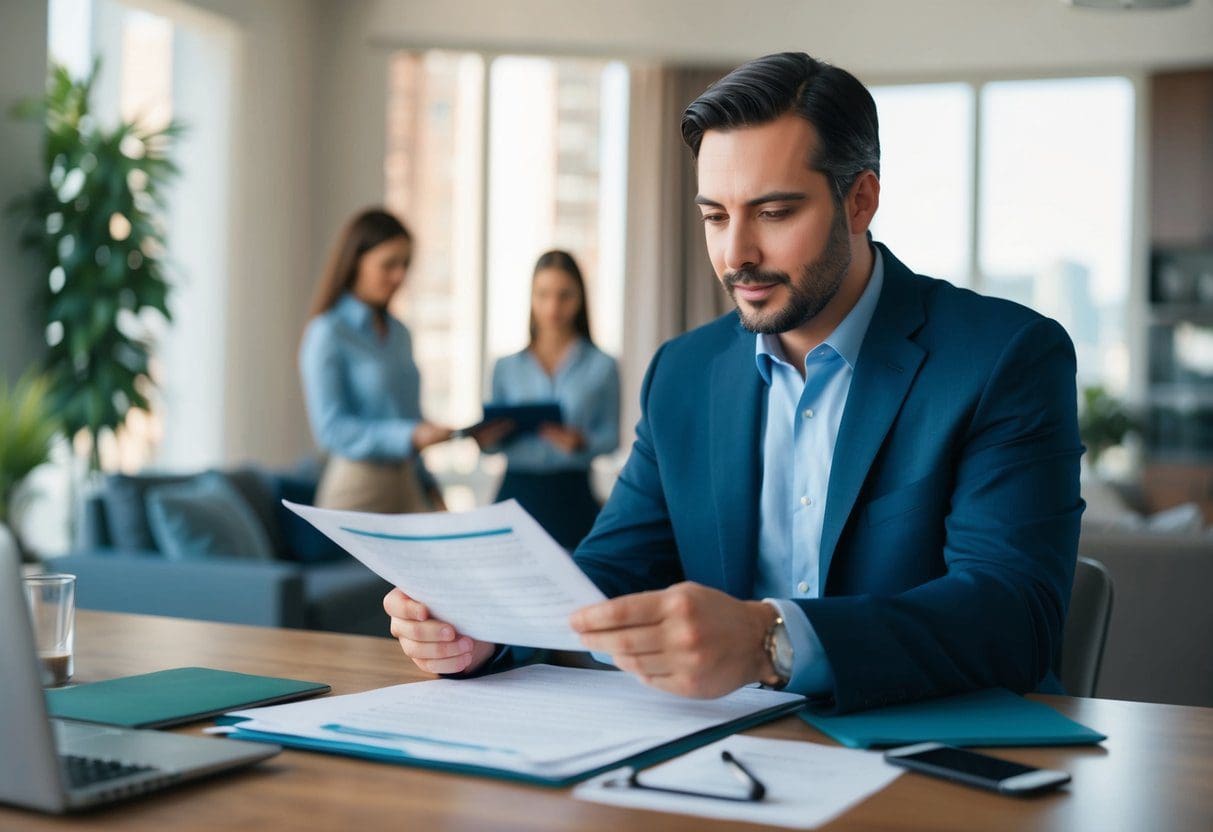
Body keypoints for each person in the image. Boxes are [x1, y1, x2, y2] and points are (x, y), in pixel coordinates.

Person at [384, 52, 1083, 713]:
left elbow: (1013, 615)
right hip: (726, 755)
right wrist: (491, 625)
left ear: (859, 200)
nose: (736, 255)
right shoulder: (683, 374)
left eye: (773, 213)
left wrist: (767, 641)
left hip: (933, 753)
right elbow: (616, 567)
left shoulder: (1003, 357)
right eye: (714, 217)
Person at [300, 208, 453, 514]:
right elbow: (331, 430)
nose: (399, 276)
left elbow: (409, 416)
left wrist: (431, 486)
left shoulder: (400, 334)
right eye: (389, 264)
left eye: (405, 264)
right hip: (358, 486)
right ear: (357, 260)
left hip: (407, 481)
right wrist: (408, 436)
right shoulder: (328, 333)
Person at [485, 250, 621, 550]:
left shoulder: (603, 365)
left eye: (565, 295)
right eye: (543, 295)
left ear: (580, 299)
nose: (553, 306)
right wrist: (488, 438)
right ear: (531, 298)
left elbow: (612, 437)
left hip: (572, 495)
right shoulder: (506, 367)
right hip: (516, 493)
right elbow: (489, 445)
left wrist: (582, 443)